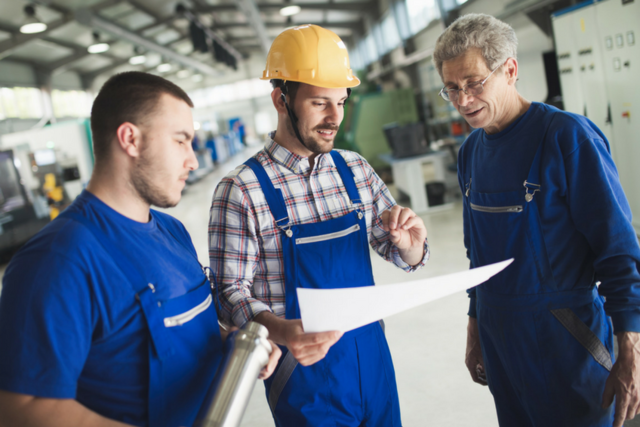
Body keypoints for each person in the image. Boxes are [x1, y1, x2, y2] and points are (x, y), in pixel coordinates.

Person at [0, 72, 280, 427]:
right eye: (181, 141)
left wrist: (236, 343)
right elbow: (20, 408)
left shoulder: (172, 232)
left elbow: (182, 330)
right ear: (130, 139)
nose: (193, 160)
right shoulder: (57, 260)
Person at [208, 24, 429, 427]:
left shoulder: (355, 169)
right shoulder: (241, 189)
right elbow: (227, 294)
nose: (334, 118)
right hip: (303, 376)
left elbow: (402, 253)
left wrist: (410, 242)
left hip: (372, 360)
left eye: (341, 102)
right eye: (319, 103)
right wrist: (281, 330)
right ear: (281, 99)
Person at [433, 13, 640, 427]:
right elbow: (478, 255)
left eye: (474, 83)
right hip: (500, 339)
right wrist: (476, 330)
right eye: (451, 88)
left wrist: (632, 349)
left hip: (567, 339)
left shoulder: (567, 138)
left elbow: (617, 251)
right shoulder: (470, 152)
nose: (462, 100)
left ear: (509, 70)